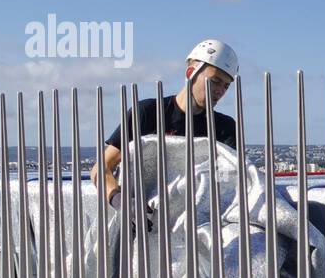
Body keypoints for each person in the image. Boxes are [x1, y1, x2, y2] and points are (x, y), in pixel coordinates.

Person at [90, 39, 241, 206]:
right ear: (191, 72)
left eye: (226, 86)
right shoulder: (147, 113)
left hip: (199, 222)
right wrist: (120, 202)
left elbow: (228, 181)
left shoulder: (224, 128)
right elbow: (101, 168)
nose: (220, 90)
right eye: (215, 81)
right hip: (143, 220)